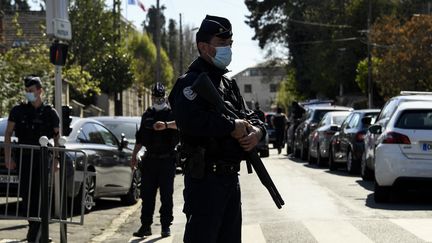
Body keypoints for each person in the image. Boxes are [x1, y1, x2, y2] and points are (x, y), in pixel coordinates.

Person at [168, 15, 266, 243]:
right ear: (204, 47)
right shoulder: (189, 83)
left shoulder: (228, 84)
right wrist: (230, 126)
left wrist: (257, 133)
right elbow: (190, 120)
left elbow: (252, 117)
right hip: (205, 183)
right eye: (222, 44)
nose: (228, 49)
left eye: (230, 44)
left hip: (231, 180)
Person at [4, 76, 60, 243]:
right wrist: (8, 156)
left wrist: (56, 159)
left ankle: (39, 231)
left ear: (40, 90)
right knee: (27, 196)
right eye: (26, 91)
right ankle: (34, 229)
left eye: (31, 91)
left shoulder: (50, 112)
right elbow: (8, 133)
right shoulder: (18, 110)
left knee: (42, 195)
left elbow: (57, 137)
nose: (29, 94)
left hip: (42, 160)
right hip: (24, 159)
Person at [130, 82, 179, 238]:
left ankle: (165, 226)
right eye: (156, 97)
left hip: (167, 160)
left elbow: (181, 125)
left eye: (160, 97)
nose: (158, 100)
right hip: (150, 160)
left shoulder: (171, 114)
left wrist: (165, 125)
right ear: (151, 98)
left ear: (164, 97)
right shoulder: (147, 114)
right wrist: (134, 155)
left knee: (166, 195)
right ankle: (146, 226)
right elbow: (140, 139)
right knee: (147, 195)